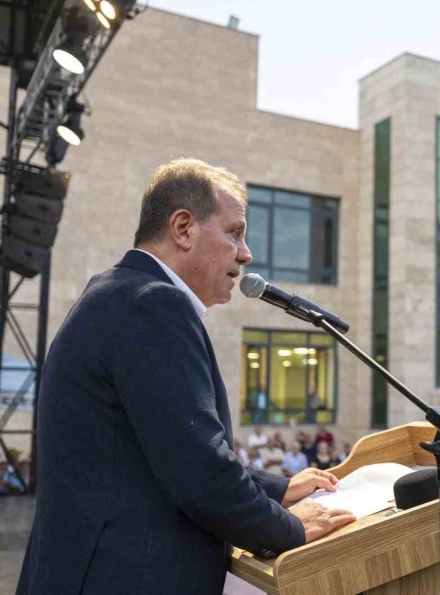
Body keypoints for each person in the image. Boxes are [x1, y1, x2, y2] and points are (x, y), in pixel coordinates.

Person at [16, 160, 355, 594]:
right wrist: (289, 528)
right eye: (234, 232)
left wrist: (280, 487)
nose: (246, 253)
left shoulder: (120, 293)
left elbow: (162, 455)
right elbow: (199, 472)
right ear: (183, 228)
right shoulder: (153, 304)